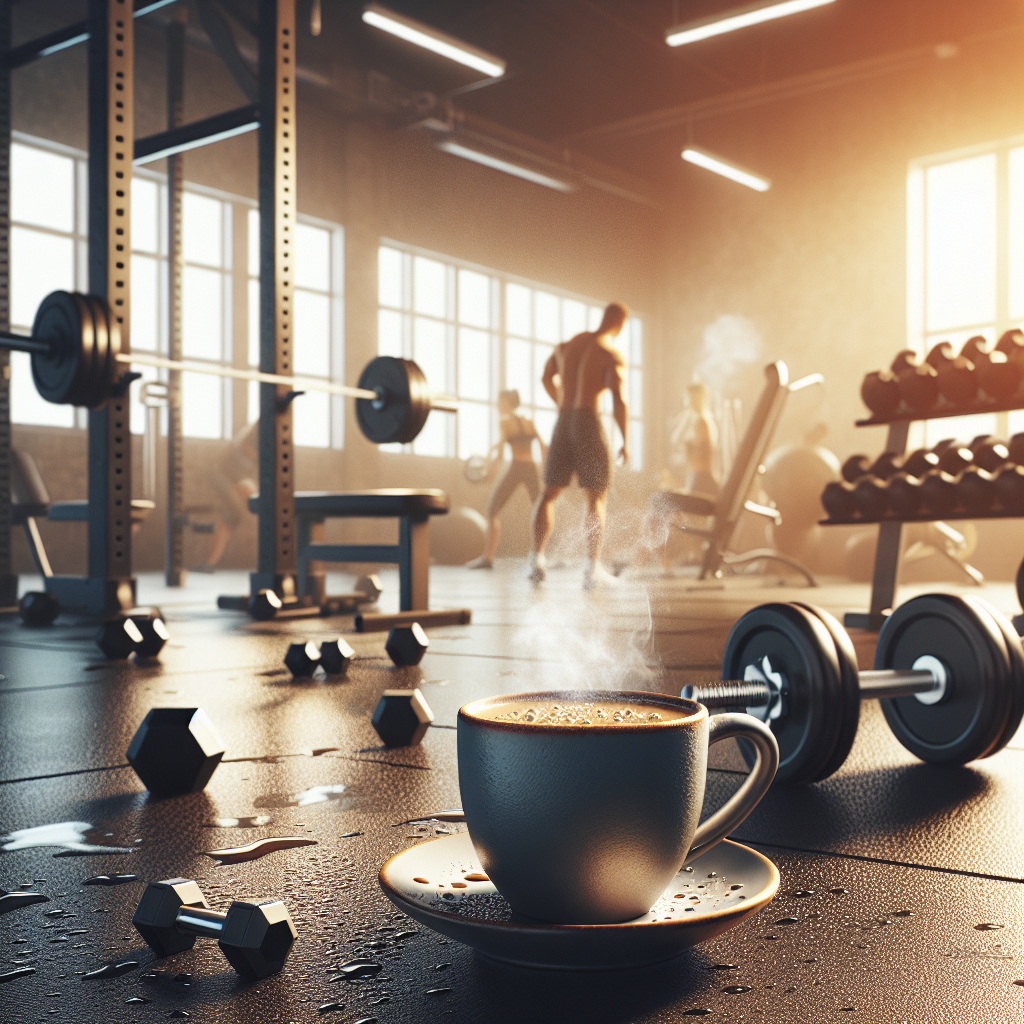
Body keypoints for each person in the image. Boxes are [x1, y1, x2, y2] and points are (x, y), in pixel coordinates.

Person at [528, 302, 629, 589]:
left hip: (563, 422)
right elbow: (619, 398)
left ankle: (535, 559)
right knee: (596, 496)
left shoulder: (567, 345)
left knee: (548, 493)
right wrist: (625, 440)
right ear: (619, 324)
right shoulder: (609, 352)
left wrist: (561, 401)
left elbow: (546, 376)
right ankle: (591, 568)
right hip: (586, 420)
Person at [467, 390, 546, 569]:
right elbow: (542, 446)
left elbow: (501, 454)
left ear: (508, 403)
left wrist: (489, 472)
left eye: (500, 402)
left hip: (517, 467)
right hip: (531, 468)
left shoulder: (504, 421)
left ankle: (488, 558)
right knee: (541, 510)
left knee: (491, 511)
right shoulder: (528, 420)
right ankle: (540, 555)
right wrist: (543, 475)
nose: (497, 406)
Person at [191, 419, 258, 572]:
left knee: (231, 517)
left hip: (234, 475)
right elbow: (241, 453)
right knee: (239, 511)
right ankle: (209, 562)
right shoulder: (252, 434)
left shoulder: (256, 439)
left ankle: (209, 564)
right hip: (222, 474)